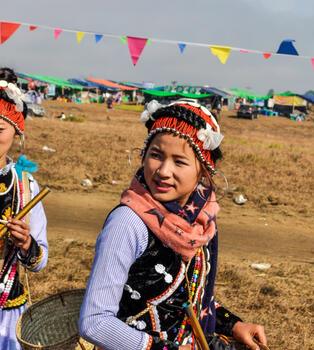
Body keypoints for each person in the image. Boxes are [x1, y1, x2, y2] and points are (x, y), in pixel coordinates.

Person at [79, 100, 267, 350]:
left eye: (179, 161)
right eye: (155, 155)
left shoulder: (202, 220)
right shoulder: (127, 223)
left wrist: (231, 324)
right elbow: (94, 323)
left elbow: (185, 299)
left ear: (204, 171)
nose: (163, 171)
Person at [0, 68, 48, 349]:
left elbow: (40, 260)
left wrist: (26, 242)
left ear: (17, 131)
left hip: (6, 316)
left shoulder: (25, 186)